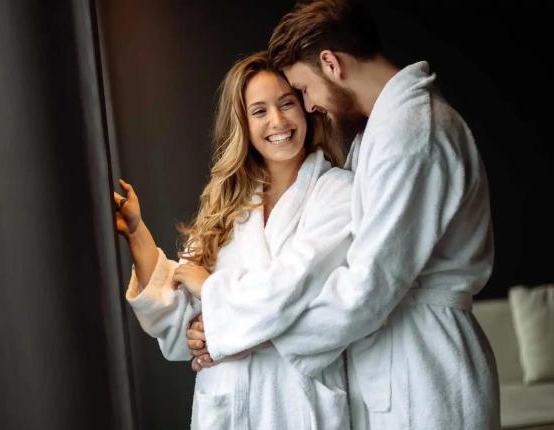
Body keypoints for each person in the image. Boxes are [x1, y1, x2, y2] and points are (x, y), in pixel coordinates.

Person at [187, 1, 500, 429]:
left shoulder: (412, 133)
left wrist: (249, 338)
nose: (310, 105)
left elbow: (369, 285)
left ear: (331, 64)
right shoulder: (382, 130)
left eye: (303, 89)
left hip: (426, 365)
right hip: (396, 359)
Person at [114, 51, 355, 429]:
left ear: (306, 108)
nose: (277, 121)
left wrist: (212, 294)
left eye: (287, 103)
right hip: (229, 408)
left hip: (297, 405)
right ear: (242, 123)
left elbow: (291, 291)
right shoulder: (226, 205)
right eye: (259, 111)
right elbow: (182, 329)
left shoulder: (337, 193)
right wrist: (136, 232)